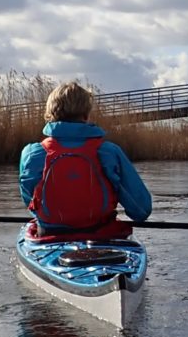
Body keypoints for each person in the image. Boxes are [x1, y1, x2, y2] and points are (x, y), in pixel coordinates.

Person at [19, 82, 152, 241]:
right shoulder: (108, 152)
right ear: (86, 115)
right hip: (101, 236)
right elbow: (141, 211)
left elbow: (30, 202)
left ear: (50, 114)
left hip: (49, 235)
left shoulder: (32, 153)